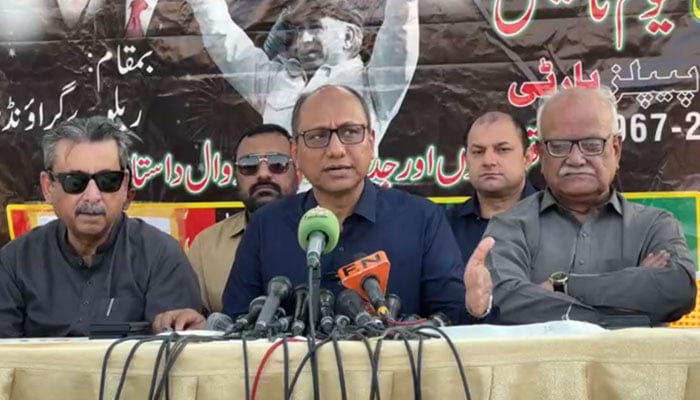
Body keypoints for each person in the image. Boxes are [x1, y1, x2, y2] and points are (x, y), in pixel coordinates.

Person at [219, 84, 494, 324]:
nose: (336, 149)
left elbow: (453, 321)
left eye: (350, 132)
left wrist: (476, 307)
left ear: (371, 143)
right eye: (317, 136)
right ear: (295, 152)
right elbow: (237, 322)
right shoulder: (267, 226)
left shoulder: (422, 220)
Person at [484, 86, 697, 325]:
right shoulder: (509, 227)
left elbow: (678, 289)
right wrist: (633, 314)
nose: (576, 159)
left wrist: (564, 285)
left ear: (615, 150)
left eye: (592, 144)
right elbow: (505, 304)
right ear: (541, 154)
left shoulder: (654, 225)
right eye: (560, 145)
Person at [0, 116, 202, 337]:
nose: (93, 197)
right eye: (75, 182)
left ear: (125, 186)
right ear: (48, 187)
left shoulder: (161, 257)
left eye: (108, 181)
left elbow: (174, 359)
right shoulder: (15, 262)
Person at [186, 0, 419, 152]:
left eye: (315, 28)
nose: (303, 40)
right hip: (288, 215)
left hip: (352, 217)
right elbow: (225, 41)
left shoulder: (375, 85)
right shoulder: (275, 81)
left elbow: (399, 32)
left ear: (349, 36)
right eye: (299, 31)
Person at [187, 124, 299, 314]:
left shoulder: (323, 235)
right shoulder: (206, 246)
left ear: (299, 171)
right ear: (235, 175)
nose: (263, 174)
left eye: (278, 163)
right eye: (249, 165)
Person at [447, 111, 538, 263]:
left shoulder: (556, 222)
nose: (489, 161)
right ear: (465, 160)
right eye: (478, 152)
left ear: (527, 158)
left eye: (502, 150)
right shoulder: (444, 228)